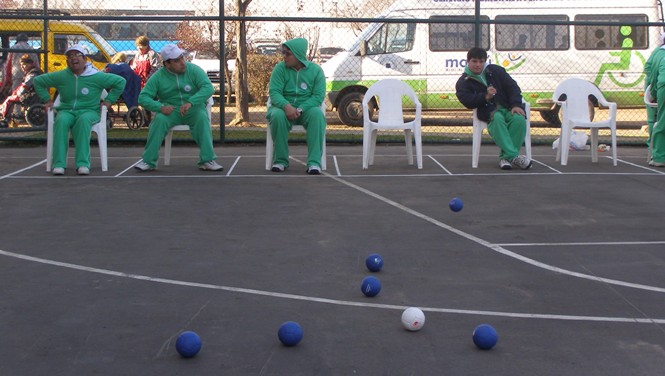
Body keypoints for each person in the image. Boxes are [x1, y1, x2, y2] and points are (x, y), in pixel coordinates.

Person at [34, 44, 126, 176]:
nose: (73, 59)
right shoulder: (62, 76)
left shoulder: (96, 76)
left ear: (85, 59)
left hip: (89, 111)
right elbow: (38, 81)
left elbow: (120, 82)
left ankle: (83, 163)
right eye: (70, 56)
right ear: (67, 61)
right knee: (61, 121)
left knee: (83, 121)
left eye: (77, 55)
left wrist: (108, 101)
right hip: (66, 110)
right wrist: (46, 100)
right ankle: (59, 164)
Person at [134, 44, 222, 172]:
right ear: (167, 64)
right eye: (177, 61)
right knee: (159, 121)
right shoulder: (158, 77)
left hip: (193, 108)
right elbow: (143, 98)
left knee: (202, 118)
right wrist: (160, 107)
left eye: (182, 58)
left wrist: (191, 102)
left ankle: (207, 160)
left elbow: (208, 88)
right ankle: (148, 161)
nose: (182, 62)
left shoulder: (194, 70)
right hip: (169, 111)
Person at [455, 47, 531, 170]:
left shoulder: (496, 71)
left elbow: (513, 88)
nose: (478, 65)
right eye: (474, 61)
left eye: (481, 61)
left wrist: (516, 104)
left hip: (508, 107)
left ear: (485, 61)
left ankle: (506, 158)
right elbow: (467, 101)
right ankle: (514, 156)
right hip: (488, 111)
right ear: (468, 61)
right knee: (497, 119)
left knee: (519, 119)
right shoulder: (463, 82)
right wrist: (486, 96)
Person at [267, 37, 326, 174]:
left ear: (298, 55)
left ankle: (314, 163)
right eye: (284, 53)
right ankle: (280, 161)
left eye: (288, 54)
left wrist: (300, 109)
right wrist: (286, 106)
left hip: (306, 110)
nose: (284, 57)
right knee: (276, 115)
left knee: (317, 115)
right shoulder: (279, 69)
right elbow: (274, 92)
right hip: (283, 109)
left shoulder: (316, 71)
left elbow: (318, 96)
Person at [1, 33, 39, 118]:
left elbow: (8, 63)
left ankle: (17, 113)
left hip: (16, 73)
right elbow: (36, 62)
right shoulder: (31, 48)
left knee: (16, 93)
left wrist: (8, 76)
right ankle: (28, 112)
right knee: (28, 93)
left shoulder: (13, 48)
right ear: (26, 40)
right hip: (30, 73)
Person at [0, 54, 42, 128]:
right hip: (33, 94)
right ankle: (6, 117)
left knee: (9, 100)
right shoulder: (32, 72)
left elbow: (25, 87)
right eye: (21, 65)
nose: (22, 67)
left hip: (32, 96)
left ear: (31, 64)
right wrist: (15, 93)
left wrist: (17, 94)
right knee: (10, 98)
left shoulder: (33, 74)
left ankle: (5, 119)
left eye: (25, 65)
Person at [643, 31, 665, 163]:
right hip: (660, 87)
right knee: (660, 121)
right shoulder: (659, 53)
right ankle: (658, 155)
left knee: (658, 121)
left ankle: (657, 154)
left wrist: (654, 90)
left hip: (659, 88)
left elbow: (649, 69)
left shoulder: (658, 52)